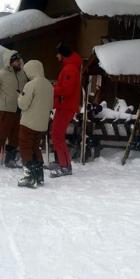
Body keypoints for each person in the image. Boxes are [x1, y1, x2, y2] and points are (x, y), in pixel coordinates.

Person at [17, 60, 54, 188]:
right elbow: (50, 105)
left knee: (25, 147)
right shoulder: (49, 85)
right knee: (35, 147)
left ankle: (29, 177)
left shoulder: (30, 85)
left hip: (28, 123)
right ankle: (39, 175)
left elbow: (23, 105)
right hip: (42, 125)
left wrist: (20, 96)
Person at [50, 43, 82, 178]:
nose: (56, 56)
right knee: (57, 136)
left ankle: (65, 166)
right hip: (64, 106)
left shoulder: (70, 69)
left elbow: (67, 90)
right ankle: (64, 163)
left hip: (66, 107)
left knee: (57, 136)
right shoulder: (70, 67)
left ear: (63, 54)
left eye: (58, 53)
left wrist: (52, 89)